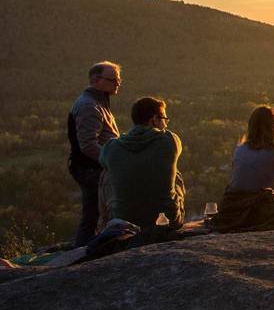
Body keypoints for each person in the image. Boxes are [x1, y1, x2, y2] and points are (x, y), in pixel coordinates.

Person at [99, 97, 185, 231]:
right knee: (175, 172)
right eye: (164, 119)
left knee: (106, 173)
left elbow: (103, 161)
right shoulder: (170, 141)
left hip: (124, 221)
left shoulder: (111, 147)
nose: (166, 124)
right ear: (154, 120)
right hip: (167, 220)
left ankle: (105, 226)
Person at [67, 61, 122, 246]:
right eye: (113, 79)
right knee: (93, 213)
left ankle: (85, 251)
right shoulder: (89, 106)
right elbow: (88, 145)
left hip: (93, 167)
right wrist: (112, 162)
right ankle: (82, 254)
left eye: (119, 79)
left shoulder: (98, 102)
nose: (118, 83)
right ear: (96, 80)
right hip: (91, 169)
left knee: (95, 213)